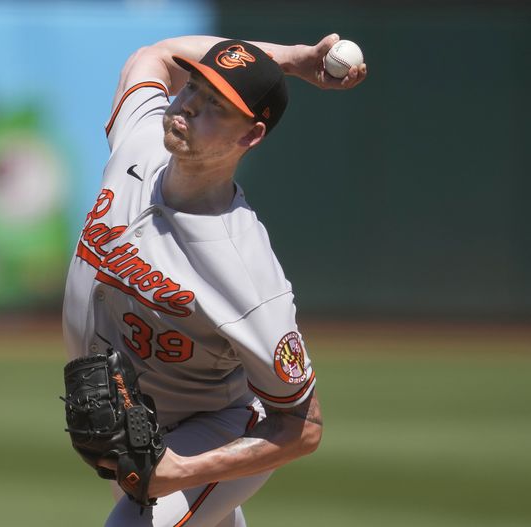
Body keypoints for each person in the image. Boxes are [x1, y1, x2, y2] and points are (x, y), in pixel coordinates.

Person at [61, 34, 367, 526]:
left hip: (216, 429)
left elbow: (304, 427)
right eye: (194, 90)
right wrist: (290, 59)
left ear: (250, 136)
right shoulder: (139, 143)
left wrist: (184, 469)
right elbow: (154, 56)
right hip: (140, 422)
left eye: (215, 107)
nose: (188, 107)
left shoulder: (244, 272)